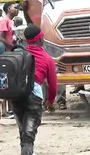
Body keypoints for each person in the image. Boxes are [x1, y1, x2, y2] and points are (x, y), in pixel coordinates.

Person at [12, 24, 57, 155]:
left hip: (16, 96)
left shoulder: (19, 54)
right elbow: (53, 85)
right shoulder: (47, 58)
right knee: (29, 136)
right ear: (41, 39)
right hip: (34, 97)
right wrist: (50, 101)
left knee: (23, 132)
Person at [0, 2, 19, 119]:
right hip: (5, 54)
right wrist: (12, 45)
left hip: (11, 53)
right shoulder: (4, 21)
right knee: (5, 80)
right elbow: (0, 38)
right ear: (8, 9)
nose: (17, 9)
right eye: (14, 7)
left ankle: (11, 109)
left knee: (11, 81)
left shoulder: (12, 22)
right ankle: (4, 111)